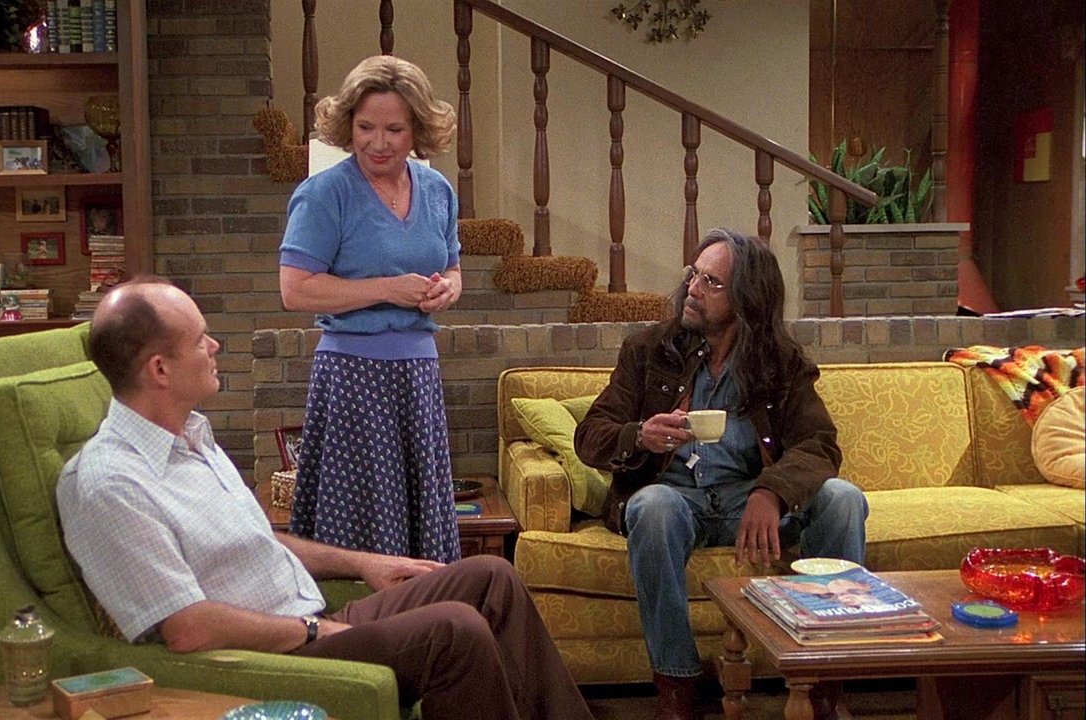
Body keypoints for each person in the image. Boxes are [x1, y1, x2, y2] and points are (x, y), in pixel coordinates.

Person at [56, 278, 594, 720]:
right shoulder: (110, 484)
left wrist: (364, 563)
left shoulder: (191, 436)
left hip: (308, 618)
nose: (215, 346)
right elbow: (187, 628)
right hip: (271, 653)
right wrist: (314, 629)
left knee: (490, 578)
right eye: (200, 340)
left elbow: (257, 539)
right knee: (455, 630)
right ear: (159, 369)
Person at [574, 229, 869, 720]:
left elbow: (818, 444)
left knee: (843, 498)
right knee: (652, 506)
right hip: (677, 499)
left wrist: (771, 492)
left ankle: (824, 684)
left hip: (745, 500)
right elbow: (590, 436)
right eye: (694, 275)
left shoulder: (780, 362)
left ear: (747, 298)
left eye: (711, 282)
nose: (692, 288)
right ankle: (677, 689)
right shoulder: (649, 350)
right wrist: (640, 436)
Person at [278, 55, 463, 563]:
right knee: (360, 523)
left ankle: (429, 611)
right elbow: (295, 290)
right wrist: (387, 289)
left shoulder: (438, 191)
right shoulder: (324, 195)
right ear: (348, 125)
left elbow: (453, 269)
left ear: (417, 130)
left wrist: (448, 290)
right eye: (365, 128)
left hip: (419, 374)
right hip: (353, 377)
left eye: (394, 130)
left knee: (420, 527)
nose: (378, 143)